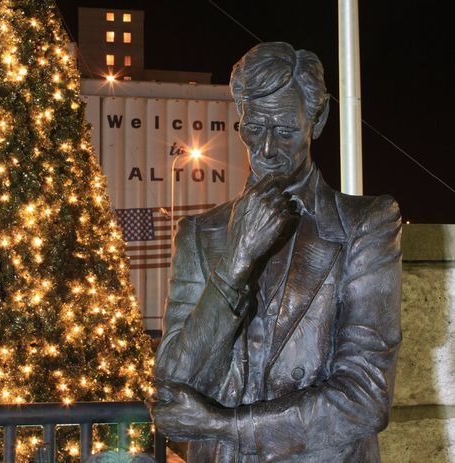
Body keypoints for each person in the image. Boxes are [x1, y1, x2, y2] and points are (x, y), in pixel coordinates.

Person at [151, 42, 402, 462]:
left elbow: (365, 395)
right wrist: (233, 264)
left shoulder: (365, 224)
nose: (266, 150)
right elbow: (174, 381)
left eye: (285, 130)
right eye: (254, 128)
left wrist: (223, 426)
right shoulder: (199, 233)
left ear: (317, 120)